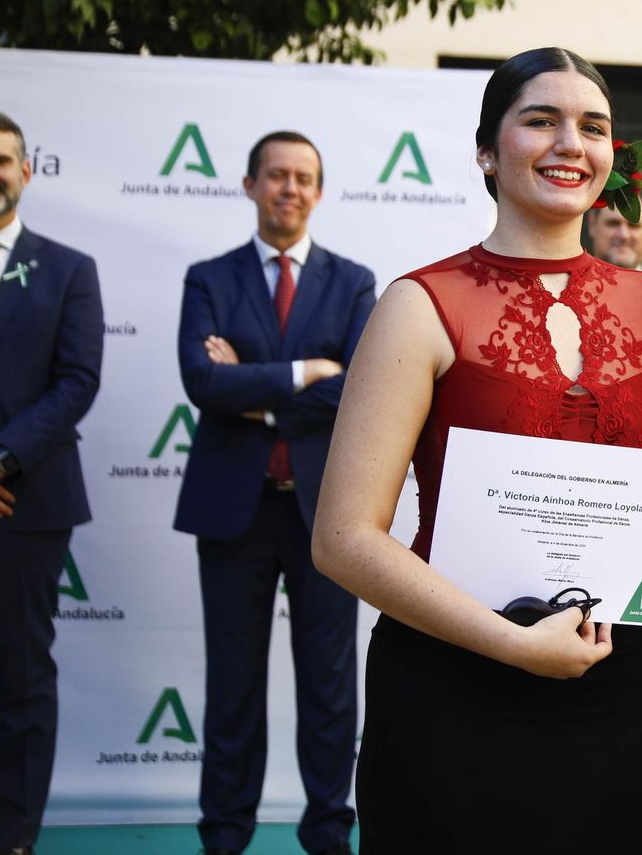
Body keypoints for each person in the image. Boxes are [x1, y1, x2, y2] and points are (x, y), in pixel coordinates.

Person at [311, 48, 642, 852]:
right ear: (487, 151)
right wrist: (514, 645)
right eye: (540, 121)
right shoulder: (420, 303)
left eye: (593, 127)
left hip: (612, 695)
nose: (571, 143)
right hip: (450, 688)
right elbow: (343, 539)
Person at [173, 131, 376, 855]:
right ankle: (224, 835)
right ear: (250, 184)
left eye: (303, 178)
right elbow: (202, 383)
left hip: (326, 511)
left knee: (329, 689)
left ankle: (327, 833)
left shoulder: (353, 281)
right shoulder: (209, 278)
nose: (290, 188)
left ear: (318, 192)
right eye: (276, 176)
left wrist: (250, 389)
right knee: (233, 687)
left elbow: (358, 390)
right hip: (236, 511)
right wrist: (302, 374)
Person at [0, 109, 103, 855]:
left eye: (1, 160)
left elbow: (77, 381)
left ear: (28, 172)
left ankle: (16, 840)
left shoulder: (69, 269)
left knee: (24, 684)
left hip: (22, 505)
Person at [586, 179, 642, 283]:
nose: (624, 235)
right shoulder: (566, 286)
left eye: (633, 226)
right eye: (613, 223)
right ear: (592, 224)